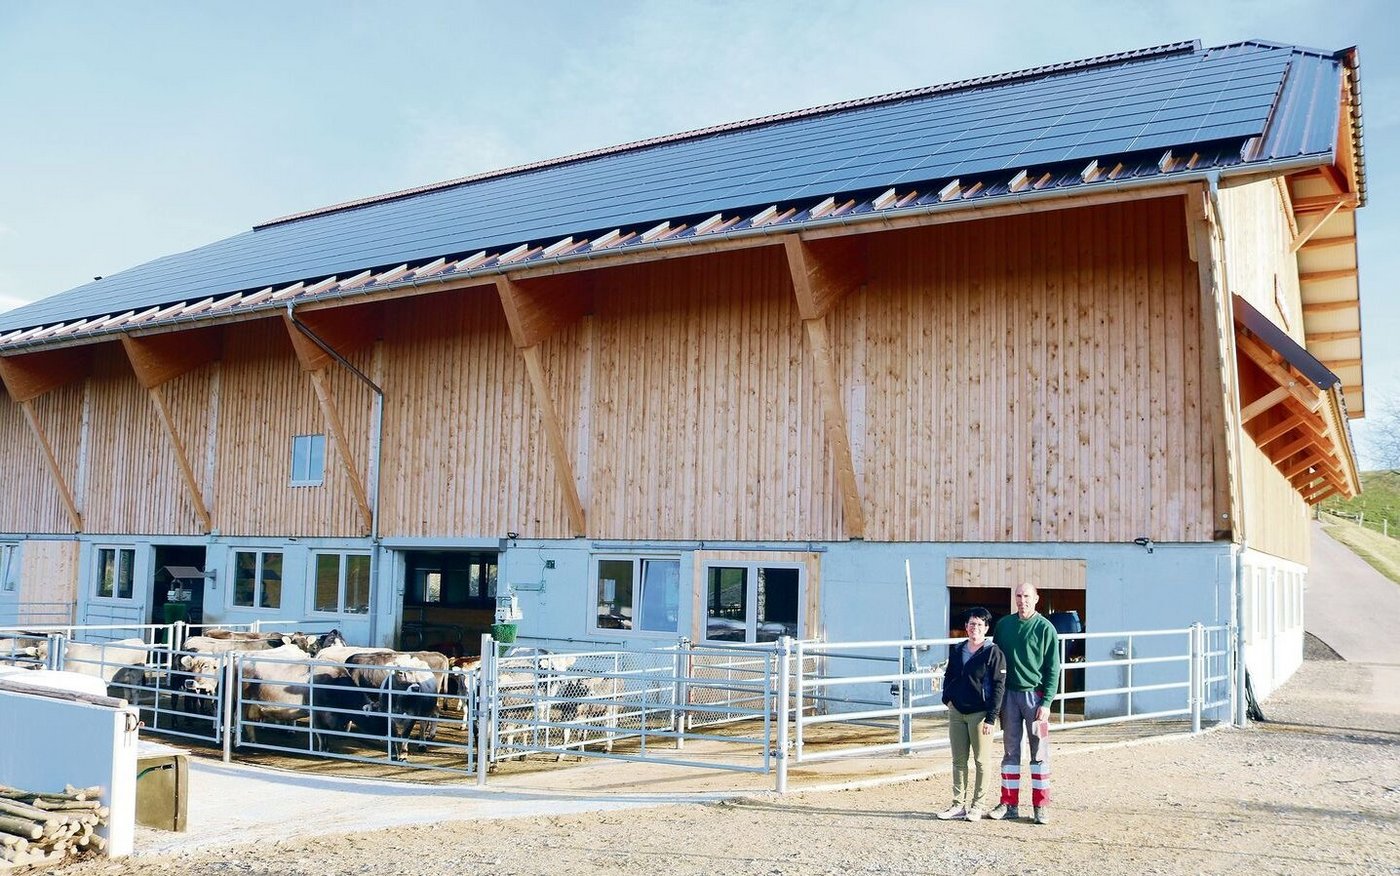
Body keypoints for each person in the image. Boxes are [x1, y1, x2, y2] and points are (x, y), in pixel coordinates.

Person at [989, 581, 1060, 825]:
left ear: (1036, 598)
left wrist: (1047, 701)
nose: (1022, 600)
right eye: (1018, 596)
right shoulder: (1004, 626)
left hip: (1035, 696)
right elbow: (995, 661)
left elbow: (1053, 668)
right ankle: (1009, 803)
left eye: (1027, 596)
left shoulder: (1045, 628)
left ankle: (1041, 805)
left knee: (1039, 750)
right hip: (1008, 695)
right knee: (1010, 750)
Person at [936, 606, 1006, 822]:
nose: (974, 628)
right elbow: (949, 676)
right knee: (958, 760)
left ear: (986, 628)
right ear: (966, 627)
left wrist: (991, 717)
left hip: (980, 714)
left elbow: (998, 686)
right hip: (957, 711)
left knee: (981, 761)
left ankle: (978, 805)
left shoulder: (993, 653)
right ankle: (958, 804)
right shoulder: (958, 650)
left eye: (979, 624)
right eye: (971, 624)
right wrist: (947, 699)